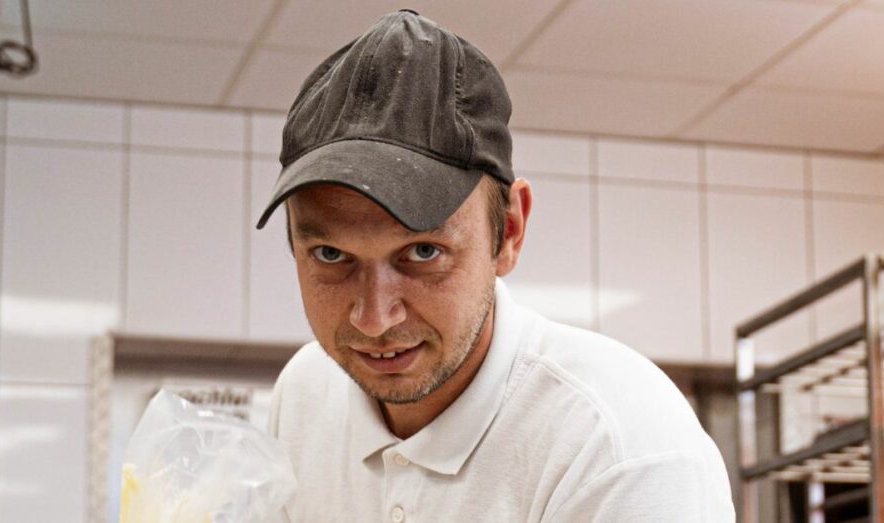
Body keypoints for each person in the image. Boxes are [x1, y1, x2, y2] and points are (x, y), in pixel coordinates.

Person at [255, 10, 735, 522]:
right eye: (331, 255)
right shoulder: (305, 393)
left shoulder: (620, 449)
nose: (374, 319)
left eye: (422, 252)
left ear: (508, 231)